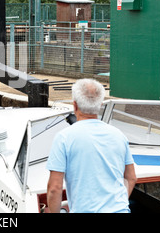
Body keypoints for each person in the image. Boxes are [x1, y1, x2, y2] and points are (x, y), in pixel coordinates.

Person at [45, 78, 137, 213]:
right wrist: (119, 203)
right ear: (100, 105)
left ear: (75, 105)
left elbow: (55, 188)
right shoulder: (118, 135)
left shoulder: (64, 138)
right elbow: (131, 177)